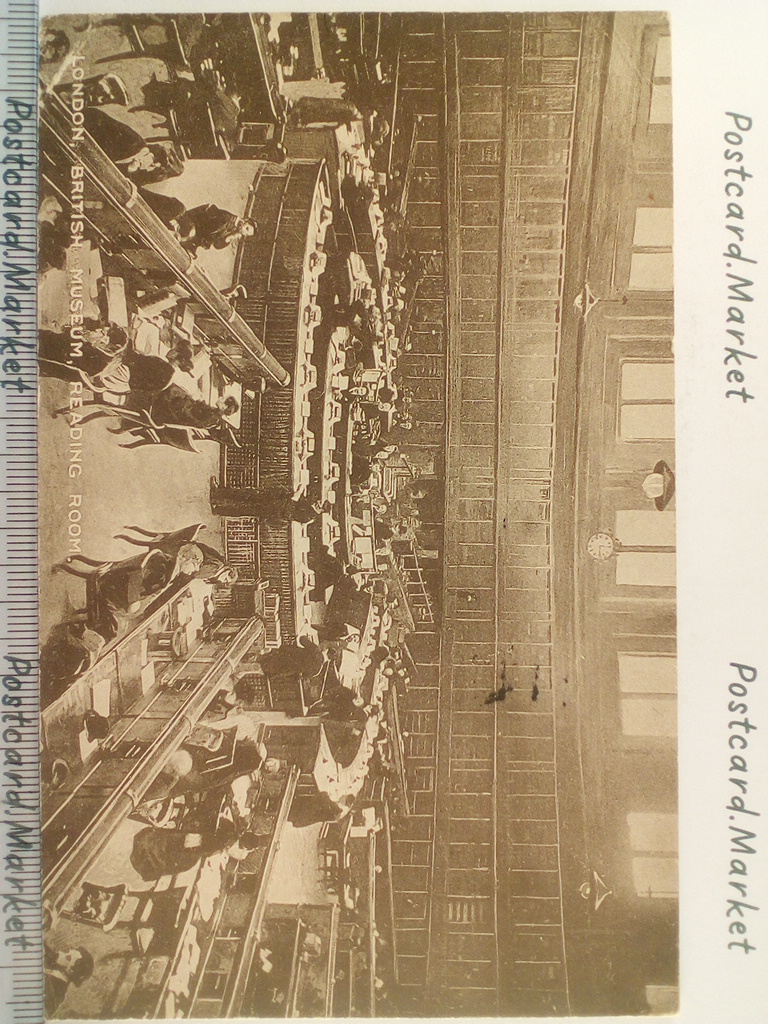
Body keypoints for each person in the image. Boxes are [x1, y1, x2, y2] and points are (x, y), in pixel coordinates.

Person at [173, 204, 256, 253]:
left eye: (246, 234)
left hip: (198, 236)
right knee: (188, 235)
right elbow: (206, 226)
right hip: (194, 223)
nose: (244, 232)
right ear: (245, 221)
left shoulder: (233, 230)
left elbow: (217, 245)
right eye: (247, 228)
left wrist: (230, 237)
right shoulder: (227, 218)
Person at [45, 944, 94, 1018]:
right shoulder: (52, 970)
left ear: (70, 970)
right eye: (66, 952)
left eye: (68, 958)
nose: (61, 952)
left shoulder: (53, 988)